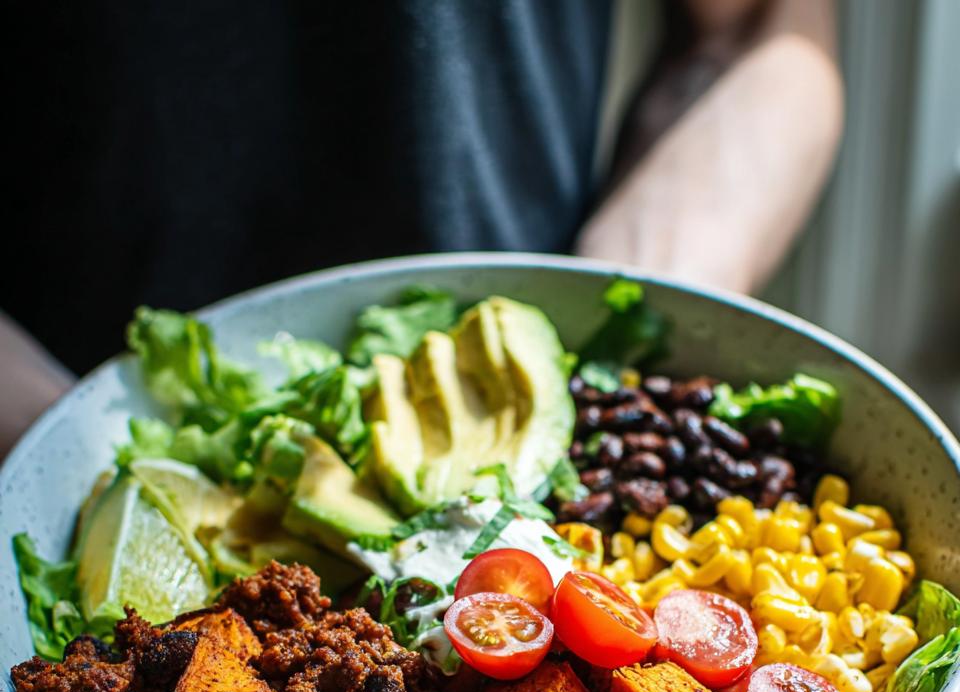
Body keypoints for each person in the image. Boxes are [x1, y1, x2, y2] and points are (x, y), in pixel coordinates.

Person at [1, 0, 842, 454]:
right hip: (45, 405)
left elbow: (758, 30)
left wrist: (607, 358)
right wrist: (59, 458)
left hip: (539, 377)